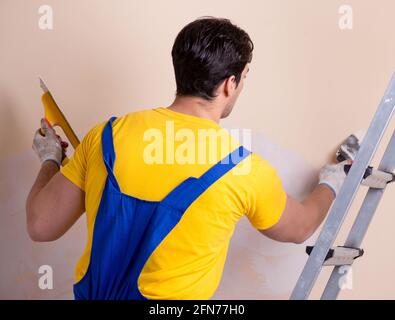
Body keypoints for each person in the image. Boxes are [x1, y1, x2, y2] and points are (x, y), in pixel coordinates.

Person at [26, 17, 350, 300]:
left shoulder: (106, 136)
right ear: (230, 83)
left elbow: (41, 225)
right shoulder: (240, 168)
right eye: (243, 78)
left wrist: (51, 158)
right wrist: (332, 181)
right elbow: (300, 227)